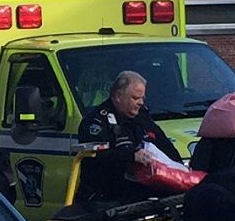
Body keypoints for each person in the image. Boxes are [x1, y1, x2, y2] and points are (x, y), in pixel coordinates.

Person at [76, 70, 181, 204]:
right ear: (118, 96)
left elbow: (164, 145)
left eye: (142, 98)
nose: (140, 102)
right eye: (135, 98)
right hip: (107, 197)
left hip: (144, 192)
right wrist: (132, 156)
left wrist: (180, 170)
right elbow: (97, 158)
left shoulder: (142, 117)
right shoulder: (96, 122)